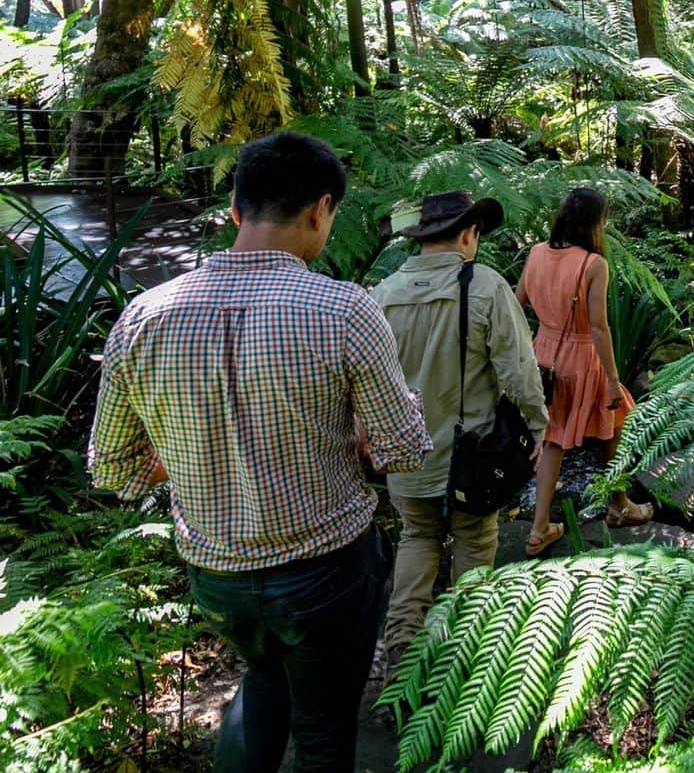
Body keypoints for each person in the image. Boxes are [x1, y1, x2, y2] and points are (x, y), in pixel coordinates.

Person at [88, 130, 432, 773]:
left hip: (219, 578)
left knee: (266, 678)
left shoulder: (145, 315)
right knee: (325, 731)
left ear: (237, 211)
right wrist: (358, 434)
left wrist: (193, 451)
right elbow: (403, 450)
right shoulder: (343, 310)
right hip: (327, 569)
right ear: (321, 210)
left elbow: (114, 469)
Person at [371, 190, 548, 671]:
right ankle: (462, 663)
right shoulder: (486, 287)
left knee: (416, 539)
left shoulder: (380, 297)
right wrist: (538, 424)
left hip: (405, 454)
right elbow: (518, 370)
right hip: (472, 457)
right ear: (468, 235)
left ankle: (401, 663)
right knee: (474, 541)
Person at [516, 187, 653, 555]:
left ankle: (549, 523)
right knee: (605, 424)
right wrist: (611, 378)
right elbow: (598, 327)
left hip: (543, 353)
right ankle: (612, 506)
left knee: (566, 435)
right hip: (581, 357)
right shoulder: (593, 264)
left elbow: (516, 306)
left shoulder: (536, 254)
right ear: (597, 223)